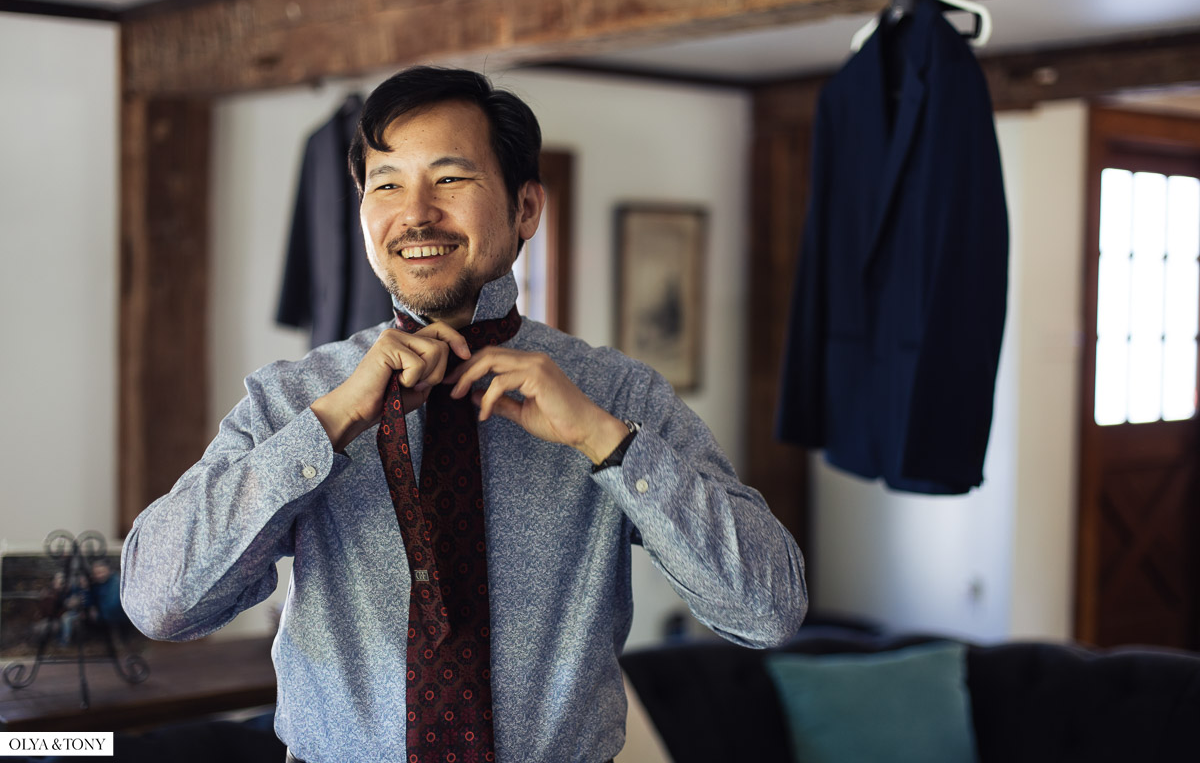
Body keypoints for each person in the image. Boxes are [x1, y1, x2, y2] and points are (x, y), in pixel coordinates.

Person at [121, 66, 808, 763]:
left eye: (450, 179)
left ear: (526, 209)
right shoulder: (294, 398)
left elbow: (769, 611)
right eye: (387, 184)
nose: (416, 213)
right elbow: (159, 604)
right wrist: (327, 426)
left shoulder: (614, 393)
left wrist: (603, 440)